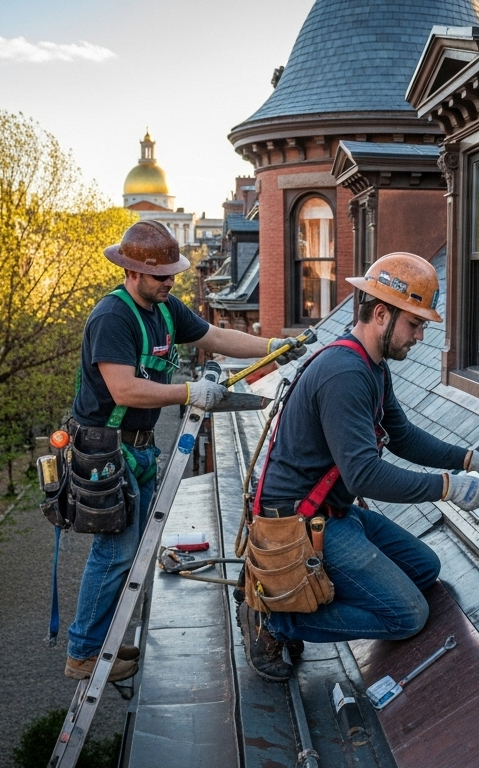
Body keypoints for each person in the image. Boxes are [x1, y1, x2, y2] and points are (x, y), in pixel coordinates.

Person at [244, 251, 479, 681]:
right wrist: (451, 487)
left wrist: (474, 459)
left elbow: (404, 437)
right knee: (407, 615)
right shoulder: (344, 374)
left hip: (332, 515)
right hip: (298, 524)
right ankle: (275, 619)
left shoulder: (371, 368)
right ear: (381, 313)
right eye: (414, 324)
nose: (419, 336)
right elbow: (365, 475)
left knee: (424, 569)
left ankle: (317, 592)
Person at [64, 220, 305, 681]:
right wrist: (189, 391)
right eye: (161, 276)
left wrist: (273, 348)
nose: (170, 282)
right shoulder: (112, 318)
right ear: (133, 272)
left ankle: (99, 645)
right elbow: (124, 391)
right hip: (104, 452)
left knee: (130, 551)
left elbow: (215, 337)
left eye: (173, 274)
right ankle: (84, 653)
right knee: (113, 554)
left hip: (134, 450)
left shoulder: (166, 309)